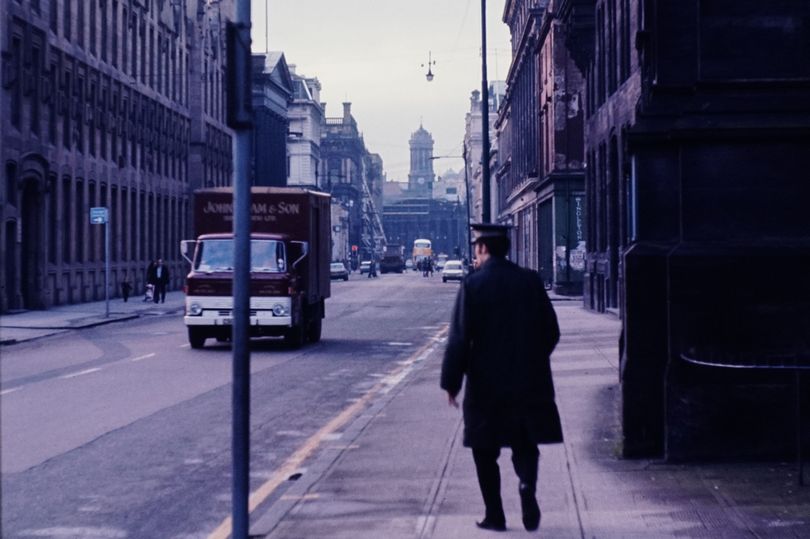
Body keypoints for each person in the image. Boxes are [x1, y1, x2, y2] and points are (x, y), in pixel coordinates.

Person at [440, 223, 562, 532]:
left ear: (482, 249)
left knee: (484, 449)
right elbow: (551, 331)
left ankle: (495, 515)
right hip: (528, 380)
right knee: (525, 442)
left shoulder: (473, 285)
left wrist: (452, 383)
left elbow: (459, 339)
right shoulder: (530, 282)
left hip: (485, 384)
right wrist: (533, 359)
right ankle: (526, 487)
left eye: (477, 250)